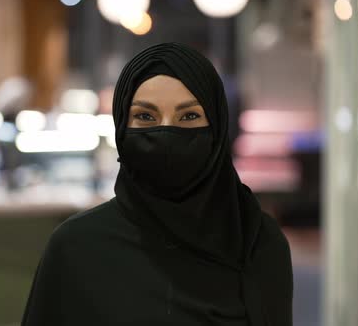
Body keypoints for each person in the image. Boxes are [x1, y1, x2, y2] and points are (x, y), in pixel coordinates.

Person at [21, 42, 293, 326]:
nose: (166, 133)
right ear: (122, 128)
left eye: (189, 116)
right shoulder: (75, 248)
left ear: (217, 128)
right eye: (145, 117)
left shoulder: (257, 242)